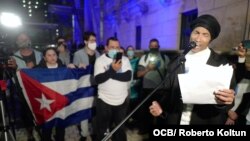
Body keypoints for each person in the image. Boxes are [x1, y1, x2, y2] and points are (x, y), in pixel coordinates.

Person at [149, 14, 235, 125]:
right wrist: (161, 110)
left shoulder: (221, 64)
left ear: (210, 40)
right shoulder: (176, 61)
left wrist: (223, 102)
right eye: (196, 32)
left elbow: (229, 101)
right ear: (191, 34)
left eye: (205, 35)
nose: (198, 39)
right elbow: (166, 93)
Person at [94, 37, 132, 141]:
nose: (115, 49)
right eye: (112, 47)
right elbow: (98, 79)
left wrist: (110, 73)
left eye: (117, 47)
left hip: (122, 100)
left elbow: (127, 76)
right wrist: (113, 70)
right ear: (106, 48)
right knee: (103, 130)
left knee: (120, 129)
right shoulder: (100, 60)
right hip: (104, 100)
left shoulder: (125, 59)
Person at [7, 32, 42, 141]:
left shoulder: (39, 54)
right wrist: (18, 68)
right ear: (17, 41)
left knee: (41, 110)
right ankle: (30, 135)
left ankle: (42, 131)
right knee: (26, 114)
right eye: (20, 38)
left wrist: (35, 67)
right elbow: (12, 76)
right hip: (22, 91)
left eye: (25, 38)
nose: (23, 40)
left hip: (38, 88)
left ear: (29, 39)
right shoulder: (13, 57)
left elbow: (44, 70)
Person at [35, 47, 75, 141]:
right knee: (46, 129)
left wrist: (76, 67)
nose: (52, 57)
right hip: (46, 103)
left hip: (60, 102)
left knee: (61, 127)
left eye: (54, 55)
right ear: (44, 58)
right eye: (49, 55)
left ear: (57, 56)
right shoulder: (38, 70)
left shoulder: (63, 68)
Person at [136, 38, 170, 133]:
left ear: (159, 47)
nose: (154, 48)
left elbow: (169, 74)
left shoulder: (165, 58)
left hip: (161, 91)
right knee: (146, 113)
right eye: (152, 46)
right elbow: (138, 74)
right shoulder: (144, 58)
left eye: (156, 46)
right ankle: (145, 131)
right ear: (149, 47)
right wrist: (148, 68)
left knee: (160, 113)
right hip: (147, 90)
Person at [73, 31, 100, 141]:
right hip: (84, 87)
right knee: (84, 111)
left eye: (95, 40)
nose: (94, 42)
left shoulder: (98, 54)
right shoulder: (78, 54)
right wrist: (78, 66)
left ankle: (94, 132)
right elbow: (74, 71)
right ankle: (84, 134)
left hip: (96, 85)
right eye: (91, 40)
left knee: (95, 110)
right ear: (85, 41)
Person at [226, 42, 250, 125]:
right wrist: (229, 112)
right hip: (226, 112)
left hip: (239, 115)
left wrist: (233, 114)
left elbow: (245, 99)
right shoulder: (227, 75)